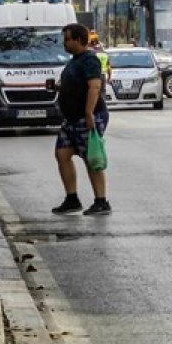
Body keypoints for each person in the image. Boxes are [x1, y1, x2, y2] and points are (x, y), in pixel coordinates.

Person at [52, 23, 111, 216]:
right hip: (70, 118)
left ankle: (101, 201)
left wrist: (89, 114)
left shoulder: (89, 60)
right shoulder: (75, 60)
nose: (64, 43)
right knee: (62, 154)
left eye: (67, 39)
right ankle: (72, 199)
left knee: (90, 157)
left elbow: (94, 87)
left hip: (86, 116)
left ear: (78, 40)